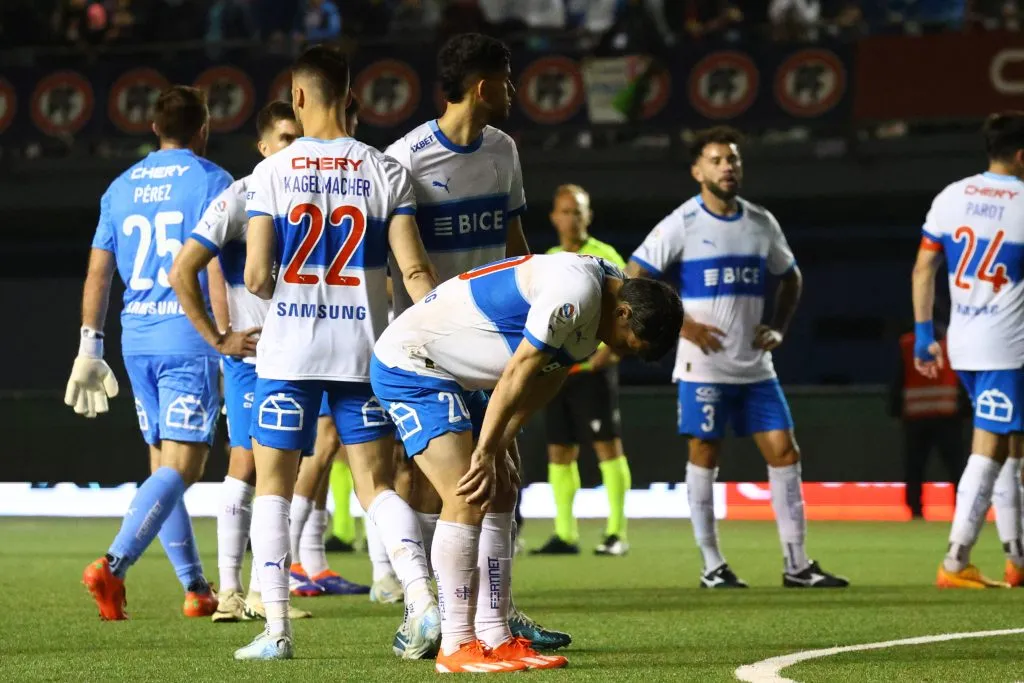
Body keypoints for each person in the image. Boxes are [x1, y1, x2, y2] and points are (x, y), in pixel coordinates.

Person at [371, 252, 683, 673]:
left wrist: (501, 441)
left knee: (502, 487)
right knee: (468, 492)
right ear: (624, 312)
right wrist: (485, 450)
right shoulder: (576, 291)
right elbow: (520, 369)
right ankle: (456, 645)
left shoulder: (607, 297)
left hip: (457, 374)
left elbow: (551, 374)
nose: (622, 352)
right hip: (413, 363)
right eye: (629, 344)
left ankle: (494, 634)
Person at [235, 44, 438, 661]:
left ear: (297, 96)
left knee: (274, 487)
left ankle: (276, 630)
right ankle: (422, 599)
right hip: (363, 353)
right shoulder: (386, 170)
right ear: (351, 98)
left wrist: (290, 291)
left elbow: (255, 275)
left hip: (288, 354)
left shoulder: (271, 172)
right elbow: (413, 273)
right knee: (377, 485)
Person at [382, 32, 570, 653]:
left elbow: (515, 244)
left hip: (495, 345)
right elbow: (399, 263)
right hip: (432, 346)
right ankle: (423, 610)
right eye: (508, 80)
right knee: (428, 481)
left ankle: (498, 615)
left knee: (502, 474)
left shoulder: (502, 150)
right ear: (484, 86)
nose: (514, 91)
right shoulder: (404, 160)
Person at [626, 125, 848, 590]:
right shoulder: (682, 222)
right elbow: (634, 275)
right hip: (703, 365)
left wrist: (779, 327)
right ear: (697, 171)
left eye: (733, 159)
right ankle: (712, 565)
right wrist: (681, 324)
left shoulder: (761, 222)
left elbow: (791, 277)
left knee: (785, 452)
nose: (727, 167)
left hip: (755, 366)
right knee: (705, 453)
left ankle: (797, 565)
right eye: (717, 160)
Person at [70, 85, 231, 620]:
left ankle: (195, 588)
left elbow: (99, 274)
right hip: (188, 336)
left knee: (162, 463)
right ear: (203, 129)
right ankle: (114, 564)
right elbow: (214, 267)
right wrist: (224, 338)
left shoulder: (120, 187)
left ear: (154, 128)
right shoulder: (212, 180)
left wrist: (89, 346)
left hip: (135, 340)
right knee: (184, 467)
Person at [169, 100, 317, 622]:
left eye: (300, 139)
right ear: (263, 146)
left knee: (288, 471)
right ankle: (230, 593)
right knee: (247, 462)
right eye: (285, 139)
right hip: (253, 358)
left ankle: (261, 592)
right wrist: (218, 338)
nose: (294, 149)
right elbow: (182, 269)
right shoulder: (239, 196)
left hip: (304, 355)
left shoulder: (316, 195)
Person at [912, 111, 1024, 589]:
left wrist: (924, 334)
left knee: (1011, 444)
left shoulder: (952, 196)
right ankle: (956, 561)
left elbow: (924, 268)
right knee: (991, 446)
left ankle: (1017, 558)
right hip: (1007, 345)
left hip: (964, 340)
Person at [533, 184, 633, 557]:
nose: (571, 218)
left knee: (607, 445)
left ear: (588, 216)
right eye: (565, 211)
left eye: (577, 211)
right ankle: (565, 534)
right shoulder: (549, 259)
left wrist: (612, 351)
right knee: (559, 450)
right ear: (553, 217)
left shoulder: (606, 256)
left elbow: (628, 309)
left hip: (593, 369)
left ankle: (616, 533)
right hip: (559, 370)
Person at [887, 324, 967, 519]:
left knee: (915, 466)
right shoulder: (953, 344)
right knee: (956, 467)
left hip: (917, 417)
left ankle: (915, 510)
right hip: (947, 416)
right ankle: (963, 510)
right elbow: (963, 379)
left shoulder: (908, 345)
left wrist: (895, 410)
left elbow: (899, 379)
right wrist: (965, 411)